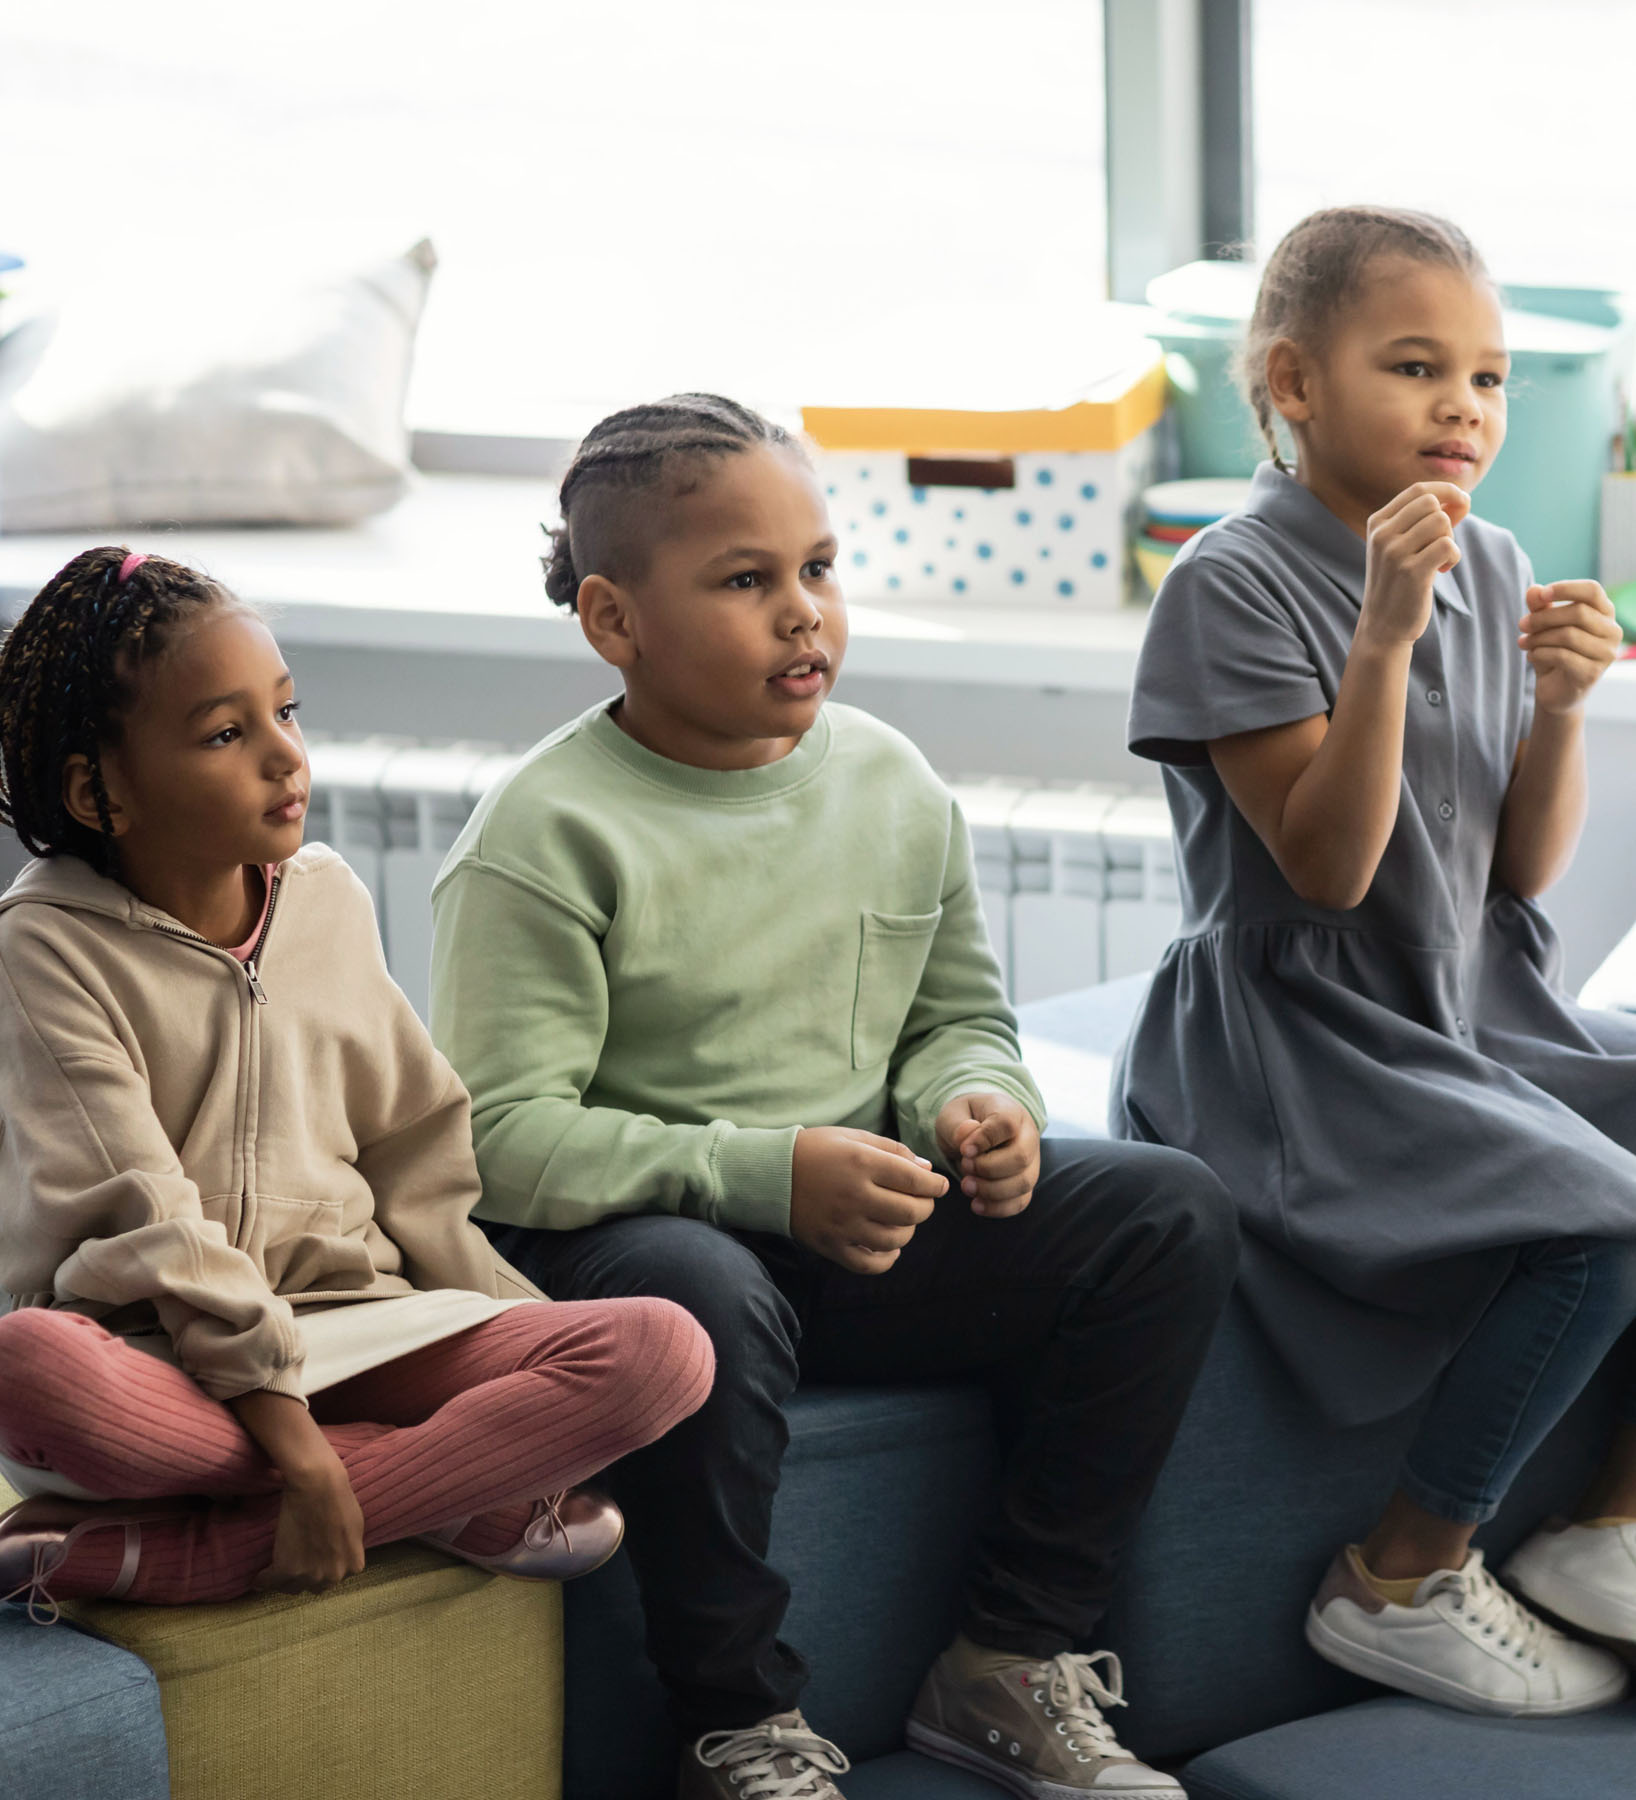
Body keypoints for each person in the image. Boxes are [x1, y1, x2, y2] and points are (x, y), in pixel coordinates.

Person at [429, 393, 1238, 1800]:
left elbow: (956, 1019)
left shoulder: (890, 780)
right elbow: (497, 1145)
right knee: (702, 1293)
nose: (805, 613)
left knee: (1165, 1214)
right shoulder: (542, 835)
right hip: (645, 1245)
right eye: (746, 581)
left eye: (819, 567)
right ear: (614, 621)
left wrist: (976, 1105)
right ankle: (731, 1720)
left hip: (854, 1232)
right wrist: (764, 1172)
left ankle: (1008, 1656)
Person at [1111, 205, 1636, 1719]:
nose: (1462, 408)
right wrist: (1385, 638)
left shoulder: (1499, 555)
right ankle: (1404, 1572)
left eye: (1486, 378)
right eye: (1415, 367)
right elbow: (1326, 871)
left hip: (1465, 998)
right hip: (1304, 1033)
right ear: (1291, 381)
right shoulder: (1233, 581)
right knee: (1598, 1227)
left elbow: (1519, 872)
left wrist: (1561, 709)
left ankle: (1610, 1529)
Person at [0, 547, 714, 1619]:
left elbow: (417, 1151)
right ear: (94, 790)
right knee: (26, 1362)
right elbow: (147, 1218)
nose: (286, 757)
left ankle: (189, 1553)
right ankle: (432, 1494)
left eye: (287, 711)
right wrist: (308, 1455)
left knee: (663, 1349)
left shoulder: (324, 897)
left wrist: (498, 1334)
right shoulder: (46, 947)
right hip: (152, 1351)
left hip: (362, 1323)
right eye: (225, 734)